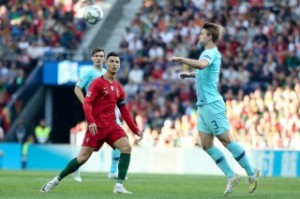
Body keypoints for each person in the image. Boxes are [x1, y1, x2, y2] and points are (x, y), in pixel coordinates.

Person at [170, 22, 259, 196]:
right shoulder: (209, 54)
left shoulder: (210, 53)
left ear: (209, 37)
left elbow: (202, 65)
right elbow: (204, 72)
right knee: (207, 145)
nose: (199, 36)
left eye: (202, 34)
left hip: (212, 104)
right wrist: (190, 75)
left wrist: (182, 60)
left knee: (226, 141)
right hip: (203, 106)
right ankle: (231, 175)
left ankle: (251, 172)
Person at [41, 52, 143, 194]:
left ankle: (119, 186)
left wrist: (135, 129)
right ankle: (56, 180)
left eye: (117, 62)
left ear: (119, 66)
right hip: (96, 127)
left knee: (126, 147)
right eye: (112, 61)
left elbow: (124, 111)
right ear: (106, 64)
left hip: (112, 126)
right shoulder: (97, 83)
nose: (114, 64)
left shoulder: (119, 88)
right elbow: (87, 104)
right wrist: (91, 122)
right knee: (82, 158)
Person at [73, 47, 123, 182]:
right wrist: (85, 103)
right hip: (95, 114)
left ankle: (113, 171)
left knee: (121, 140)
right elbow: (77, 88)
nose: (99, 58)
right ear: (92, 58)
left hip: (110, 113)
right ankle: (76, 168)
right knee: (90, 147)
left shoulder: (106, 73)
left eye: (102, 56)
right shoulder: (89, 73)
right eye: (97, 56)